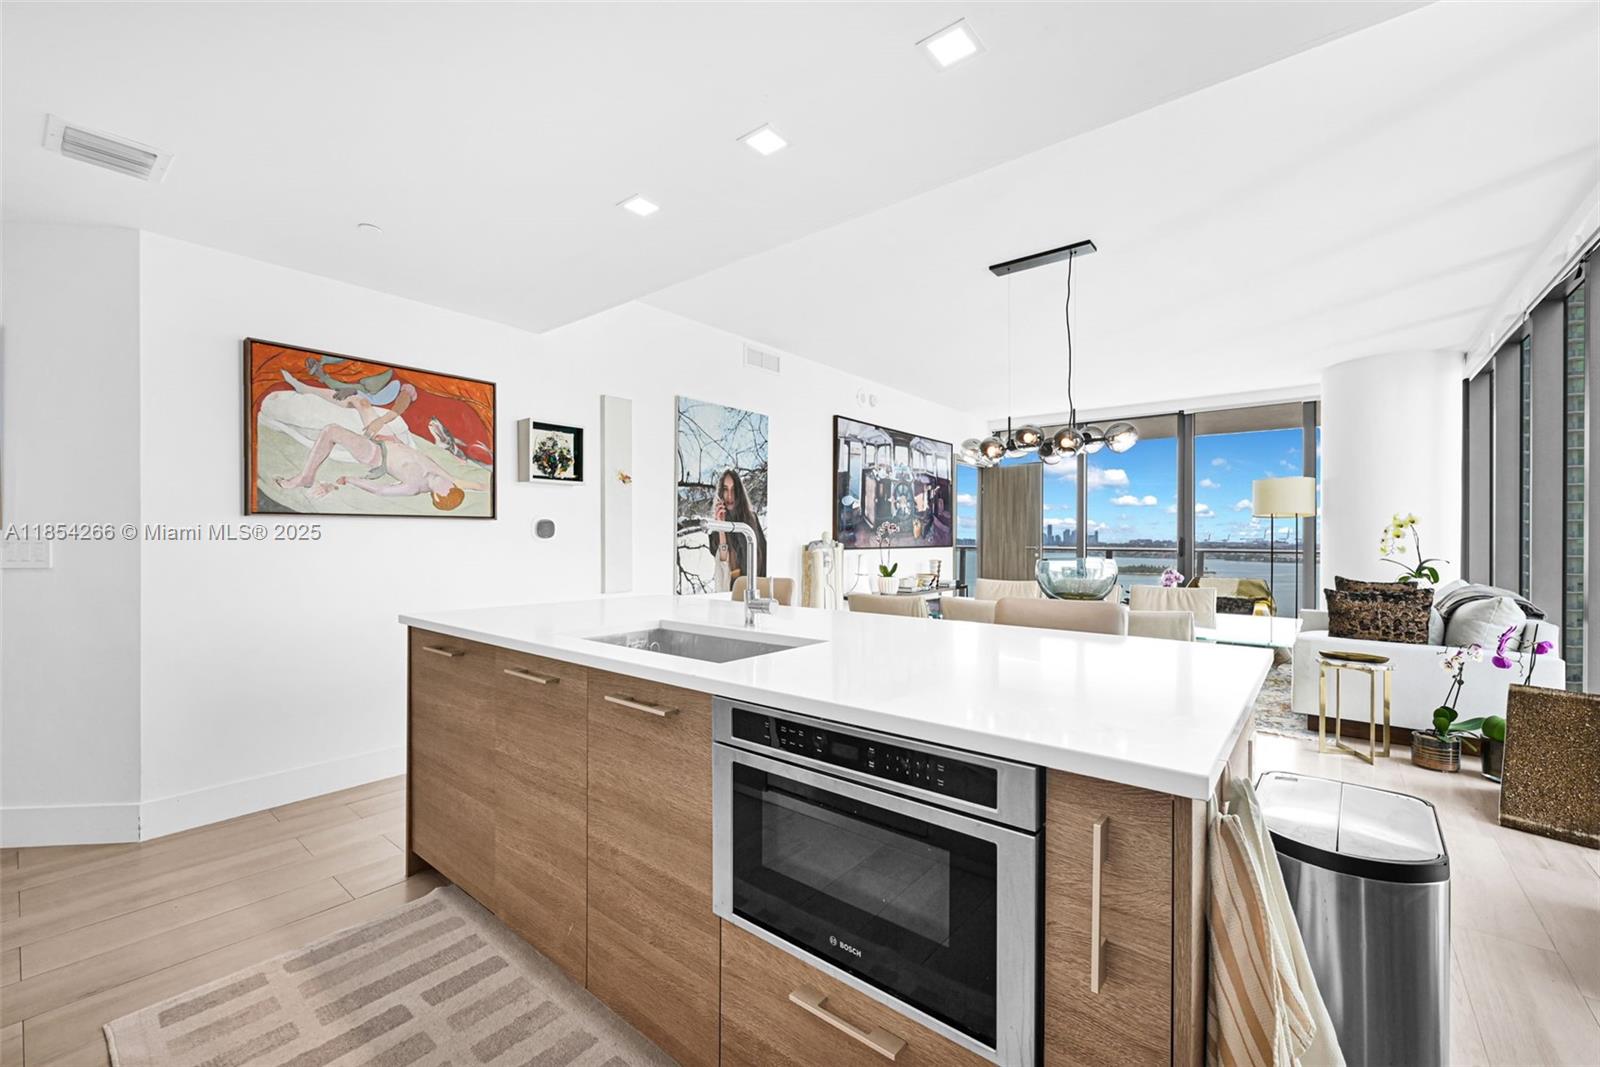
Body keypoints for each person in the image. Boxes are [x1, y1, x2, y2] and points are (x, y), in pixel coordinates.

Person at [275, 393, 484, 510]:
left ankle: (306, 476)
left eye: (448, 490)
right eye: (453, 487)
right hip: (392, 440)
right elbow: (473, 484)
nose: (450, 485)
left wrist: (351, 480)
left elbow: (380, 491)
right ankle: (303, 387)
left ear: (437, 498)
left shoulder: (414, 486)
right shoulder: (444, 477)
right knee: (360, 401)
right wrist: (487, 486)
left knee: (331, 431)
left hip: (377, 454)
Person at [709, 468, 766, 587]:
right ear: (720, 492)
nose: (729, 496)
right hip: (730, 593)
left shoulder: (751, 520)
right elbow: (723, 565)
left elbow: (763, 557)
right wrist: (721, 526)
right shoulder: (715, 528)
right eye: (725, 489)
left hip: (754, 588)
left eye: (733, 489)